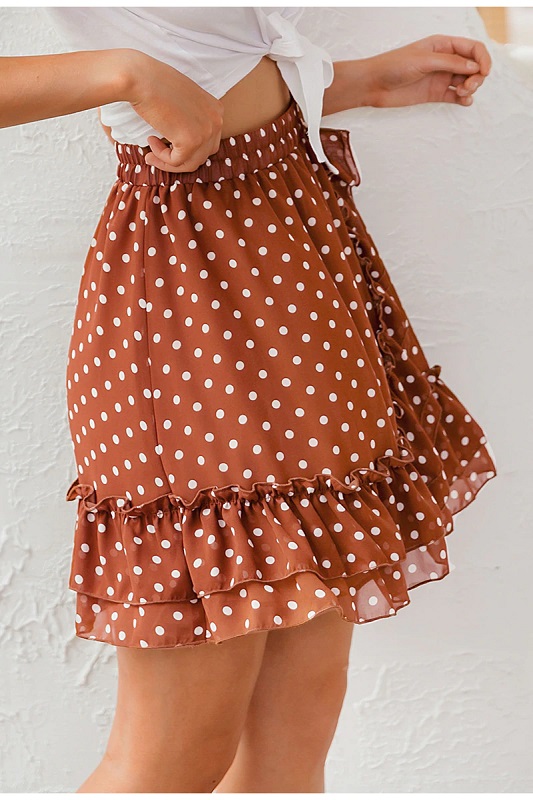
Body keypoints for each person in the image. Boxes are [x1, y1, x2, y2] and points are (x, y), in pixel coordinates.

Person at [2, 8, 497, 793]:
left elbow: (214, 52)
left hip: (296, 241)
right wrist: (120, 73)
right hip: (187, 286)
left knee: (291, 740)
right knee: (175, 755)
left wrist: (355, 81)